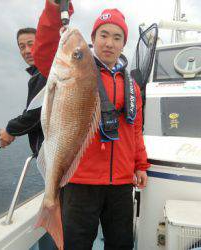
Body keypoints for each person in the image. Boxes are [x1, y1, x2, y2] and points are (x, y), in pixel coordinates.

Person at [33, 1, 150, 249]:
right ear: (93, 38)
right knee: (76, 244)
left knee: (121, 244)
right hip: (80, 180)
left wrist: (140, 164)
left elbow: (135, 129)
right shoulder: (80, 70)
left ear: (123, 43)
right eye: (103, 35)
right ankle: (50, 205)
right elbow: (44, 55)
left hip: (120, 183)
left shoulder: (132, 85)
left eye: (117, 37)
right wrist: (55, 11)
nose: (109, 43)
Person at [0, 28, 47, 156]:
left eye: (31, 44)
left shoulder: (45, 72)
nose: (27, 51)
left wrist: (10, 129)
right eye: (22, 47)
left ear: (42, 43)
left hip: (55, 154)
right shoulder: (37, 74)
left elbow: (37, 113)